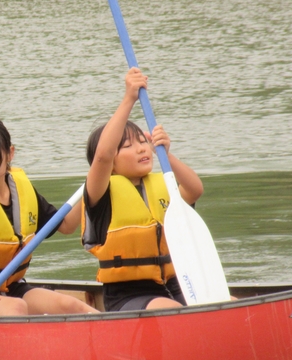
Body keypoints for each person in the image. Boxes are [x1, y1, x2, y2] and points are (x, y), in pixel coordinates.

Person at [0, 116, 99, 317]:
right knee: (16, 308)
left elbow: (66, 225)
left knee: (71, 305)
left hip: (8, 287)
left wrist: (95, 179)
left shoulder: (21, 190)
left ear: (10, 153)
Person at [82, 67, 204, 311]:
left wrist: (167, 155)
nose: (141, 149)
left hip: (177, 284)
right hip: (128, 296)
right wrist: (129, 98)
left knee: (229, 303)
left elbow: (194, 189)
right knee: (169, 309)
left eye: (142, 141)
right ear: (112, 163)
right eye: (127, 145)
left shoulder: (162, 185)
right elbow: (103, 155)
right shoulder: (99, 194)